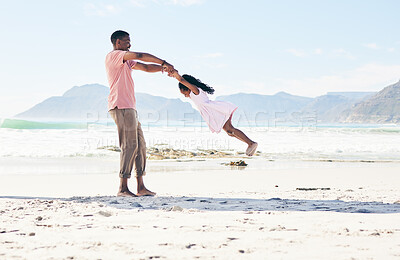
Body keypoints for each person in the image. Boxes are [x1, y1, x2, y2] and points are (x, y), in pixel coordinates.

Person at [105, 30, 174, 197]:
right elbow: (141, 55)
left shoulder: (126, 62)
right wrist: (163, 61)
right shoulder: (114, 56)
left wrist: (163, 68)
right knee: (129, 146)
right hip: (120, 106)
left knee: (140, 146)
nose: (130, 44)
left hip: (130, 108)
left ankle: (141, 187)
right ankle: (122, 188)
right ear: (118, 42)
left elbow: (146, 66)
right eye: (127, 41)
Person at [171, 70, 258, 156]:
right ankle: (250, 145)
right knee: (229, 132)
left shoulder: (195, 90)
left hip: (216, 111)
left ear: (186, 87)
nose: (185, 96)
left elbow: (182, 80)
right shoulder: (194, 93)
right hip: (214, 112)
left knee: (230, 130)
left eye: (184, 93)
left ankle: (251, 143)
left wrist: (175, 75)